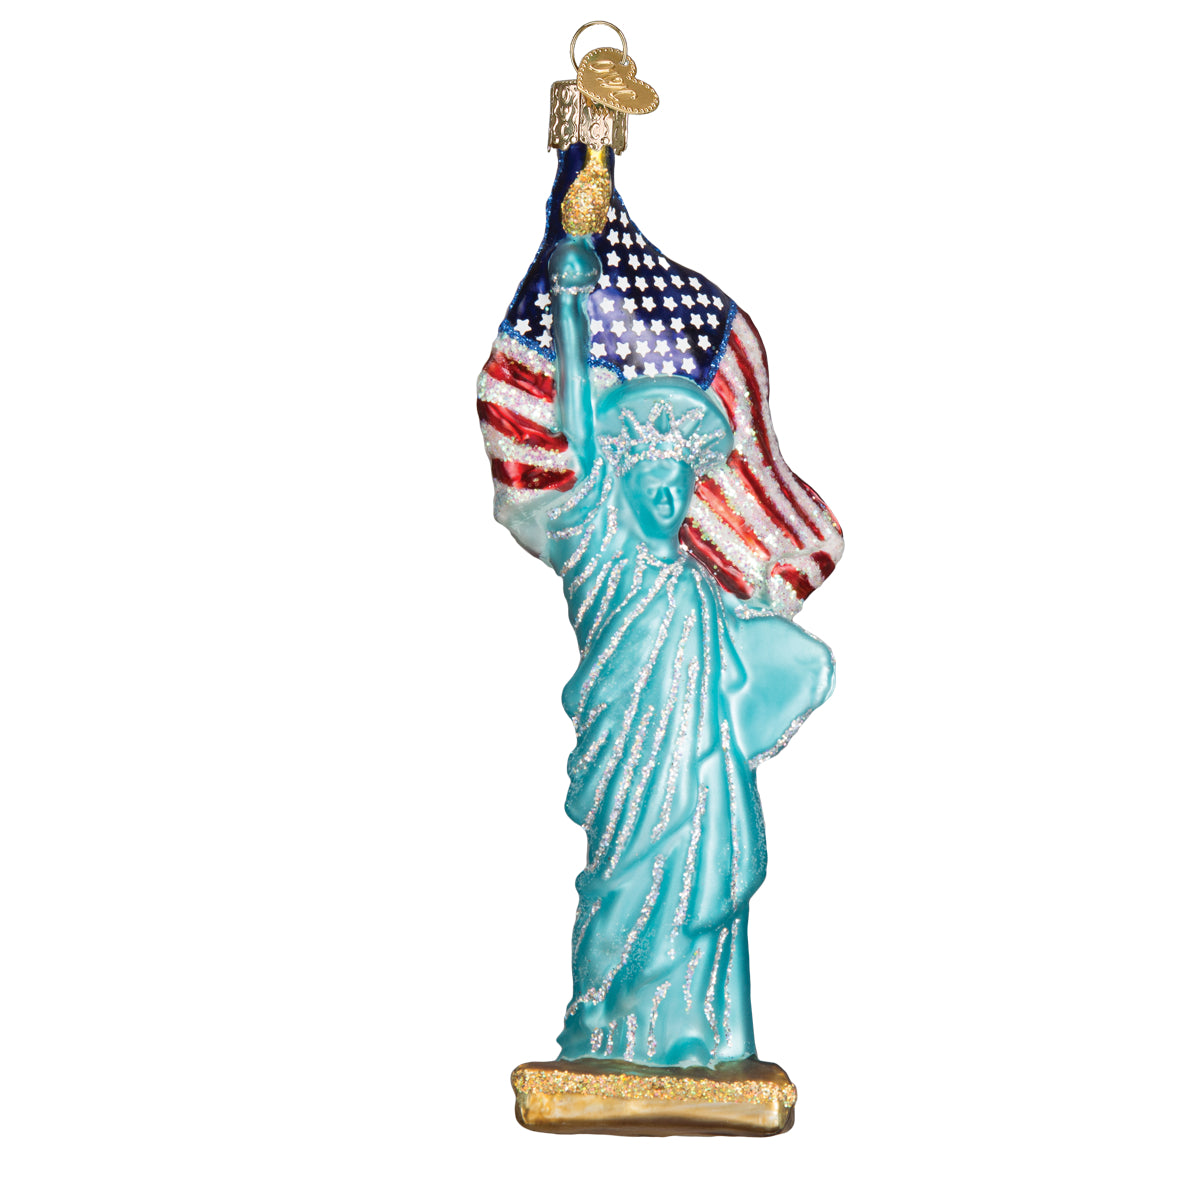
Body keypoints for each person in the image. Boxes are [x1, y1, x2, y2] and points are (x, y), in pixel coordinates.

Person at [540, 237, 836, 1066]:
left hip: (700, 770)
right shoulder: (601, 555)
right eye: (653, 484)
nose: (669, 498)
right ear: (625, 486)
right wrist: (570, 309)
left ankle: (692, 1032)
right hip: (629, 771)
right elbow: (577, 436)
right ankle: (606, 1031)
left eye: (680, 487)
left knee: (701, 881)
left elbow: (738, 672)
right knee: (625, 886)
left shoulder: (699, 589)